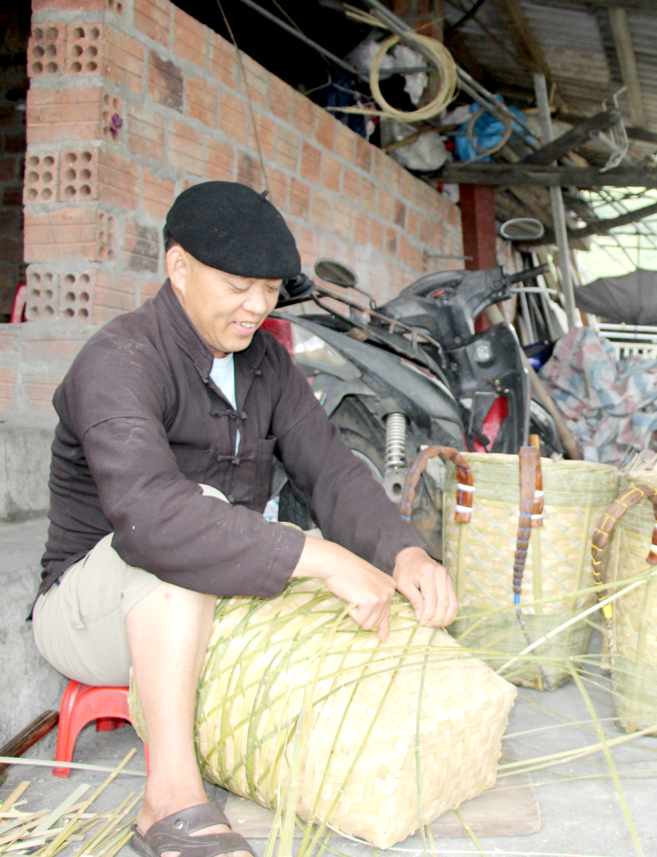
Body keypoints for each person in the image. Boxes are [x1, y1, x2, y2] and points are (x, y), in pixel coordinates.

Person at [31, 181, 458, 857]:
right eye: (237, 285)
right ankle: (167, 801)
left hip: (213, 594)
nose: (257, 305)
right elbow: (151, 521)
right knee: (193, 527)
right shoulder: (120, 359)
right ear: (178, 268)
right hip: (93, 609)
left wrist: (402, 551)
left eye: (269, 287)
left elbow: (331, 469)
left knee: (353, 583)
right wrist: (322, 558)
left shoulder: (267, 363)